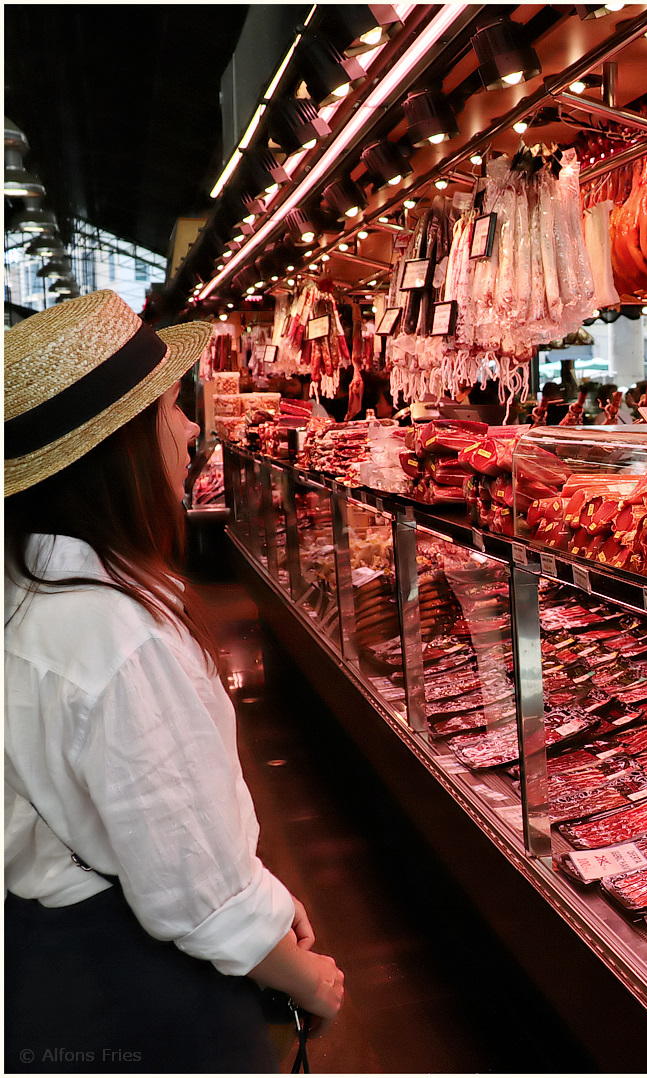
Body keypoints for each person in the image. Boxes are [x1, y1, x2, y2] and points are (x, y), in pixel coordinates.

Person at [4, 292, 345, 1072]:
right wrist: (306, 977)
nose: (193, 427)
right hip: (132, 994)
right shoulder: (116, 637)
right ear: (118, 446)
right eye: (171, 407)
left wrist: (261, 891)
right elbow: (191, 881)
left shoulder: (24, 593)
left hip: (39, 961)